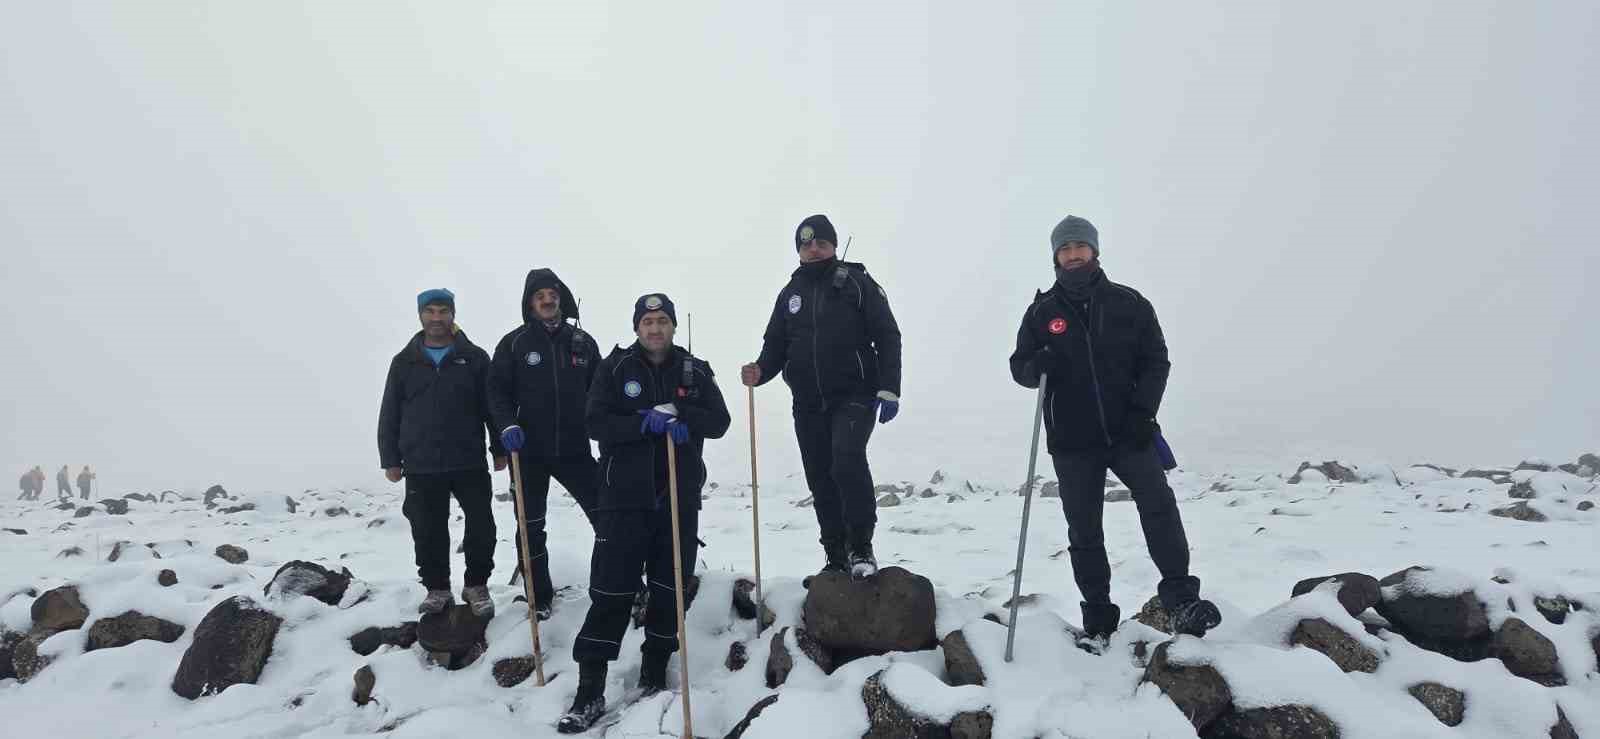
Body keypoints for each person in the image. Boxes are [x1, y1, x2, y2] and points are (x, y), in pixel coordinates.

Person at [1008, 215, 1221, 641]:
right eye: (1065, 249)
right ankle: (1099, 621)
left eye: (1079, 247)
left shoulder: (1130, 303)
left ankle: (1181, 600)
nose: (1073, 255)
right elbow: (1020, 368)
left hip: (1129, 431)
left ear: (1094, 251)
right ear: (1056, 256)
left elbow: (1156, 361)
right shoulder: (1041, 312)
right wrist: (1036, 365)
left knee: (1158, 505)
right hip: (1072, 441)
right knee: (1084, 530)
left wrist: (1144, 412)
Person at [558, 293, 730, 733]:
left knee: (669, 588)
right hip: (623, 498)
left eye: (662, 321)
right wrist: (641, 422)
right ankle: (589, 691)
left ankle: (654, 675)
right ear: (637, 328)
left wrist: (681, 412)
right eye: (648, 321)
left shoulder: (695, 370)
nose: (655, 329)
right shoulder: (615, 368)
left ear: (672, 326)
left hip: (677, 495)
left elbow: (720, 421)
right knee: (612, 591)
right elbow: (595, 423)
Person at [741, 214, 902, 582]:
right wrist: (760, 372)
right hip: (808, 403)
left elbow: (888, 335)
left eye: (821, 242)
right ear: (799, 250)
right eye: (806, 244)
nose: (813, 249)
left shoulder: (857, 283)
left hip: (855, 395)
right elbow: (775, 347)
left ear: (832, 244)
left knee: (846, 459)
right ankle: (835, 555)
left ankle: (861, 548)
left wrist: (889, 387)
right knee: (820, 477)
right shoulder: (789, 295)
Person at [377, 288, 506, 618]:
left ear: (453, 314)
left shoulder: (474, 357)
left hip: (468, 460)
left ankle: (476, 584)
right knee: (427, 528)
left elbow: (491, 407)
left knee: (482, 525)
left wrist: (499, 448)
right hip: (420, 463)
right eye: (430, 311)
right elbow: (390, 411)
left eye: (443, 311)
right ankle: (437, 588)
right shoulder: (404, 362)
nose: (437, 318)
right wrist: (389, 458)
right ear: (420, 315)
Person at [489, 268, 602, 620]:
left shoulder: (582, 342)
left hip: (575, 449)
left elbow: (601, 394)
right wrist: (505, 427)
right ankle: (539, 599)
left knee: (608, 515)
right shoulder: (514, 343)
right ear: (530, 304)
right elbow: (495, 392)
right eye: (539, 296)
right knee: (530, 525)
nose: (547, 300)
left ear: (561, 297)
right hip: (528, 452)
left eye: (551, 293)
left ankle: (619, 586)